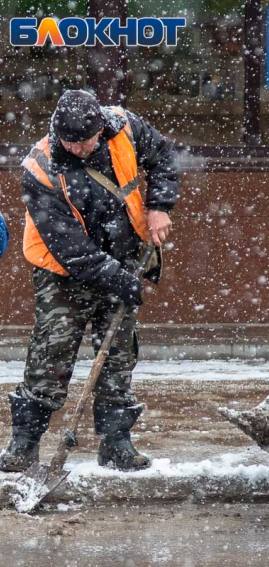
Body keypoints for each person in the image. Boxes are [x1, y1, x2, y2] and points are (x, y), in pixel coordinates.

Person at [0, 90, 179, 472]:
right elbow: (69, 246)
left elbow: (162, 156)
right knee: (52, 350)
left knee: (117, 351)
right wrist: (116, 277)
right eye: (72, 142)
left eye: (87, 140)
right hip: (61, 269)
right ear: (57, 133)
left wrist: (160, 206)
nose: (80, 148)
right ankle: (24, 444)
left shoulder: (125, 127)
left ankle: (116, 443)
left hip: (123, 253)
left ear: (101, 127)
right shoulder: (40, 167)